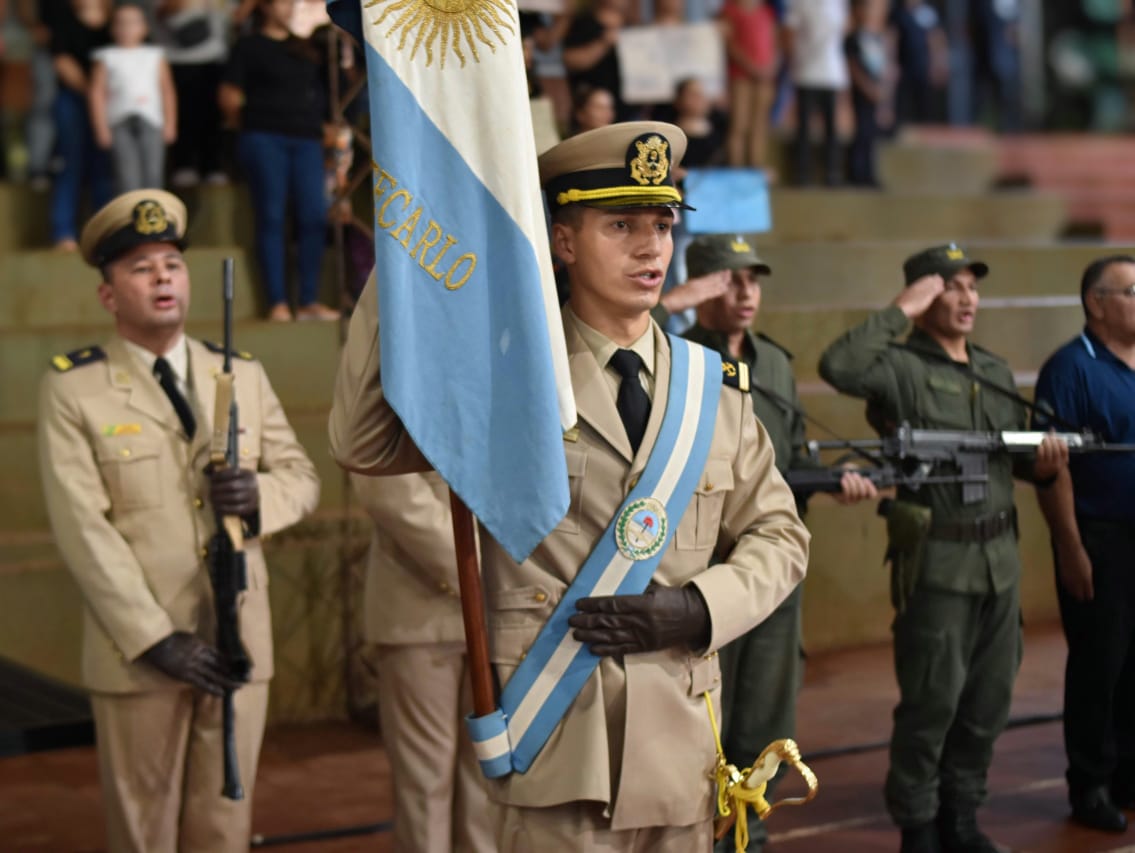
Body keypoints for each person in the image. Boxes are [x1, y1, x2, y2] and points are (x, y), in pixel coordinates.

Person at [330, 121, 810, 850]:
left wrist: (697, 607)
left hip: (682, 753)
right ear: (562, 242)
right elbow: (363, 439)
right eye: (620, 225)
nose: (651, 247)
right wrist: (408, 250)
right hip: (556, 746)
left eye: (660, 223)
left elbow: (781, 535)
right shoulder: (507, 376)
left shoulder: (712, 389)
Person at [37, 189, 321, 853]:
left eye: (172, 263)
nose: (163, 277)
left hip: (237, 634)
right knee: (145, 828)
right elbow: (85, 528)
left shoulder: (239, 374)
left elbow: (301, 480)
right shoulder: (74, 388)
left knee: (224, 820)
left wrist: (256, 498)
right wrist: (155, 637)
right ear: (108, 295)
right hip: (141, 652)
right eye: (140, 267)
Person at [818, 244, 1068, 853]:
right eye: (950, 287)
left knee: (987, 706)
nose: (966, 299)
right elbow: (839, 366)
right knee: (931, 706)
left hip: (1000, 564)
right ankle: (918, 824)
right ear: (924, 295)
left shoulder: (992, 369)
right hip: (938, 564)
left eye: (972, 288)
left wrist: (1044, 461)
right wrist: (900, 309)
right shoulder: (897, 367)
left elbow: (1016, 460)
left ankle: (962, 814)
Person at [681, 233, 877, 852]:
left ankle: (749, 831)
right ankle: (695, 833)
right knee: (701, 715)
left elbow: (786, 465)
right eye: (728, 280)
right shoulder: (674, 354)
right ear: (702, 286)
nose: (744, 293)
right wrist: (678, 301)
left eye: (753, 280)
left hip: (767, 566)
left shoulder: (774, 364)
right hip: (702, 564)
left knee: (766, 707)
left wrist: (831, 484)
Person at [1033, 255, 1135, 834]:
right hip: (1099, 538)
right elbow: (1054, 469)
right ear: (1097, 302)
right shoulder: (1070, 368)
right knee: (1100, 664)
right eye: (1133, 290)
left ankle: (1130, 773)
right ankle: (1090, 783)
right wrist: (1071, 547)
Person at [350, 472, 497, 853]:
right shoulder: (397, 406)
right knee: (423, 785)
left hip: (500, 613)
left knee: (489, 782)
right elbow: (387, 490)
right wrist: (485, 568)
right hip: (417, 608)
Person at [220, 0, 337, 322]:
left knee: (314, 216)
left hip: (307, 140)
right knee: (272, 216)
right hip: (264, 137)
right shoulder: (249, 46)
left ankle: (309, 300)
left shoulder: (310, 48)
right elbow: (229, 96)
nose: (292, 7)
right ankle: (278, 303)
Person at [89, 2, 177, 193]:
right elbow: (96, 92)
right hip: (119, 121)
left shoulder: (155, 55)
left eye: (133, 22)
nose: (127, 28)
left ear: (145, 27)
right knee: (126, 175)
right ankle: (129, 220)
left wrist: (170, 123)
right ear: (113, 27)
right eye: (121, 22)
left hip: (152, 120)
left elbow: (167, 90)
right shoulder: (106, 56)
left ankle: (154, 219)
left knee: (153, 173)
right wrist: (101, 128)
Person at [49, 0, 113, 251]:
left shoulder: (115, 22)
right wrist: (92, 92)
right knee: (70, 163)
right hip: (74, 100)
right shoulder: (64, 21)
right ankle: (63, 232)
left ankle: (104, 233)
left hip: (111, 102)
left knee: (104, 168)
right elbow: (62, 62)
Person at [155, 0, 233, 187]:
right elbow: (162, 12)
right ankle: (184, 164)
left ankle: (213, 166)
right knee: (185, 114)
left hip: (215, 58)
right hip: (178, 60)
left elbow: (233, 17)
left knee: (213, 116)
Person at [782, 0, 848, 186]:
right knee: (804, 128)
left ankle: (832, 173)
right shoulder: (800, 3)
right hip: (807, 73)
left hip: (833, 74)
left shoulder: (839, 3)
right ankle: (802, 173)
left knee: (832, 128)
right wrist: (795, 59)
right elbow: (789, 31)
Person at [719, 0, 778, 168]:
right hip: (740, 77)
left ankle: (755, 168)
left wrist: (771, 67)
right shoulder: (730, 9)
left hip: (764, 78)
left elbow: (772, 41)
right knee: (739, 124)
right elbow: (729, 44)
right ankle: (736, 168)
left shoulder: (766, 10)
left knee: (759, 126)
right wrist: (751, 67)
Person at [562, 0, 634, 121]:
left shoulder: (632, 28)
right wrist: (604, 43)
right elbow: (570, 60)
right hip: (590, 109)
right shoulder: (583, 23)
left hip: (627, 111)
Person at [844, 0, 887, 187]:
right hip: (862, 93)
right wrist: (868, 88)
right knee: (861, 131)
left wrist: (882, 89)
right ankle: (856, 171)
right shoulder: (852, 38)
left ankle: (869, 172)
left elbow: (882, 67)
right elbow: (853, 67)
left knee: (872, 133)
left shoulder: (876, 38)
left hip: (876, 93)